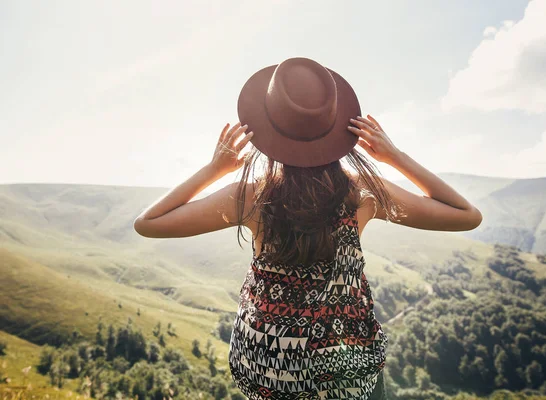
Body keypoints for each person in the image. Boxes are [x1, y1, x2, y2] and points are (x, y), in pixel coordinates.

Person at [134, 57, 483, 400]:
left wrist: (214, 169)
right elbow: (466, 215)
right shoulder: (361, 194)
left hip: (268, 369)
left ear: (269, 131)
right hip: (346, 375)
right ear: (335, 129)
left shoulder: (251, 197)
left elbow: (149, 223)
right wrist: (394, 156)